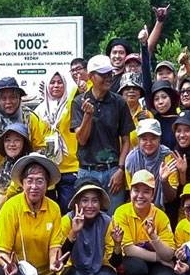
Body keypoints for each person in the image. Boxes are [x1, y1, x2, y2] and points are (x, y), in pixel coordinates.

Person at [71, 55, 135, 210]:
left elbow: (126, 140)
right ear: (91, 77)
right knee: (86, 220)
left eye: (110, 74)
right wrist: (88, 116)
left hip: (112, 170)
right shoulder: (79, 102)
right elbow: (82, 140)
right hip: (87, 171)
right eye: (103, 74)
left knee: (114, 222)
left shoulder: (119, 102)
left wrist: (120, 169)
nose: (108, 78)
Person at [57, 180, 123, 275]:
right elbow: (59, 258)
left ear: (100, 204)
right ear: (77, 203)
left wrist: (118, 244)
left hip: (100, 266)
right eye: (84, 200)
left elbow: (115, 263)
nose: (90, 205)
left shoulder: (107, 222)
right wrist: (74, 232)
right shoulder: (67, 221)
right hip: (72, 268)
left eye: (94, 201)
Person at [115, 169, 178, 275]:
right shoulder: (121, 213)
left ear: (152, 194)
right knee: (136, 269)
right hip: (134, 260)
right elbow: (128, 248)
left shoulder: (160, 216)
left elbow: (169, 254)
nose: (140, 196)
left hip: (153, 260)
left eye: (146, 191)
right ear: (130, 192)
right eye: (136, 190)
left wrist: (154, 237)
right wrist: (159, 259)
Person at [34, 71, 78, 210]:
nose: (56, 86)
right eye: (52, 82)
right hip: (48, 166)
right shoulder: (38, 111)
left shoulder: (72, 105)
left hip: (70, 166)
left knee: (68, 209)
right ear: (47, 86)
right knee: (49, 208)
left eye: (59, 82)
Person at [124, 118, 177, 209]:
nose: (149, 143)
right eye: (144, 139)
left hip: (163, 208)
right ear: (138, 140)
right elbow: (131, 192)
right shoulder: (131, 159)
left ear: (159, 139)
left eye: (153, 138)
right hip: (138, 206)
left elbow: (171, 197)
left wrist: (164, 181)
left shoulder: (168, 157)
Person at [149, 80, 179, 149]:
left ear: (171, 98)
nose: (160, 102)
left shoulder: (180, 121)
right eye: (156, 99)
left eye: (164, 97)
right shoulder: (152, 121)